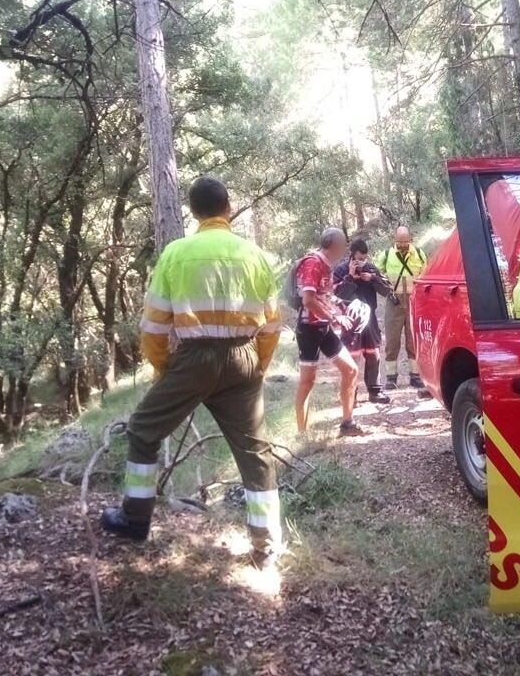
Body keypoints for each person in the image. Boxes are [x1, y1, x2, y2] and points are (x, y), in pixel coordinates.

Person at [100, 177, 282, 569]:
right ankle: (266, 548)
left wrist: (165, 368)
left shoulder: (176, 254)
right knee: (256, 454)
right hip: (243, 356)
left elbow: (154, 326)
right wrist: (257, 367)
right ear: (228, 208)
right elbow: (271, 325)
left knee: (143, 430)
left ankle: (135, 520)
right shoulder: (255, 255)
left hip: (192, 359)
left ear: (194, 213)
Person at [293, 228, 367, 437]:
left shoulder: (327, 266)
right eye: (343, 245)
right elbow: (308, 300)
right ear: (333, 245)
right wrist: (335, 318)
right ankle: (302, 434)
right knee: (307, 382)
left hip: (323, 328)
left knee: (350, 370)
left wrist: (343, 306)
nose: (345, 249)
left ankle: (347, 424)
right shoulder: (314, 263)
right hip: (308, 330)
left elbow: (324, 295)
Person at [333, 238, 393, 406]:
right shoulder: (340, 270)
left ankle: (375, 391)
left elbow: (387, 290)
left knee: (373, 354)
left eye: (364, 258)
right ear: (352, 255)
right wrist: (350, 278)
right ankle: (351, 394)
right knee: (352, 356)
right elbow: (338, 295)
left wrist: (373, 278)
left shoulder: (370, 268)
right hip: (350, 319)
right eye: (359, 258)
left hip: (370, 318)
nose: (361, 262)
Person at [377, 226, 426, 390]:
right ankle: (391, 377)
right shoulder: (386, 255)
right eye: (400, 242)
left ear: (410, 239)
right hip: (394, 301)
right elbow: (377, 274)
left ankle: (415, 376)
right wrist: (386, 289)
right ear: (394, 240)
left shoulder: (419, 254)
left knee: (413, 340)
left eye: (405, 242)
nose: (403, 245)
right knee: (392, 339)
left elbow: (426, 274)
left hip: (414, 300)